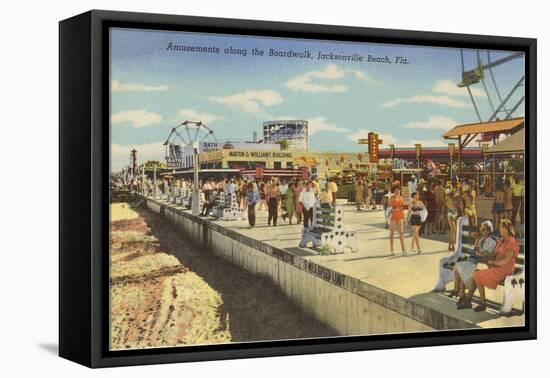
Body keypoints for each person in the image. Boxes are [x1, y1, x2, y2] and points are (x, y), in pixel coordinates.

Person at [458, 219, 520, 311]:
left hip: (504, 270)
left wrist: (492, 262)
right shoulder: (502, 240)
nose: (499, 229)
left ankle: (475, 302)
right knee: (476, 274)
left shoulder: (511, 242)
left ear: (506, 229)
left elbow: (505, 260)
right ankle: (472, 302)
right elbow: (494, 254)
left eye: (501, 228)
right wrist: (487, 255)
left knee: (476, 275)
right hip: (497, 267)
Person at [449, 221, 497, 302]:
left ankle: (461, 294)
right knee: (458, 265)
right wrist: (477, 240)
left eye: (483, 229)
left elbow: (485, 254)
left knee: (464, 269)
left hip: (483, 264)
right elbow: (476, 250)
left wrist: (478, 253)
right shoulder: (481, 239)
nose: (481, 231)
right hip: (477, 261)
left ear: (488, 231)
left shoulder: (492, 241)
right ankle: (459, 292)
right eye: (481, 229)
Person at [389, 186, 407, 255]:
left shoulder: (402, 198)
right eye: (396, 190)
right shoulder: (392, 198)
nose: (397, 191)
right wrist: (395, 209)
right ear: (394, 191)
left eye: (398, 190)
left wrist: (404, 217)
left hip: (400, 216)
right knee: (392, 233)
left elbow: (402, 208)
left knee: (401, 233)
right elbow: (390, 209)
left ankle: (403, 249)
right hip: (393, 216)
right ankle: (391, 250)